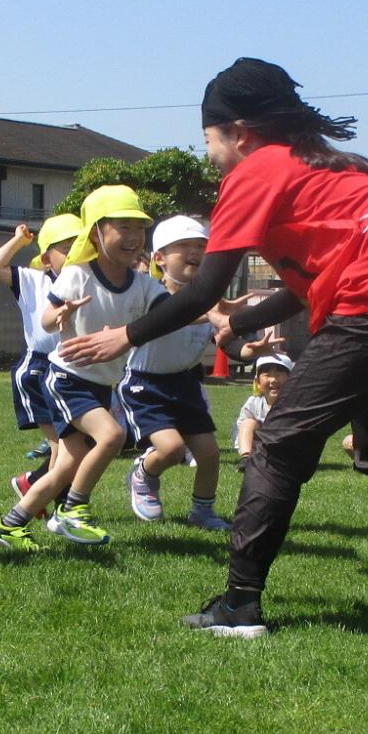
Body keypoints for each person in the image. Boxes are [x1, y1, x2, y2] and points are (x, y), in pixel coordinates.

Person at [58, 58, 368, 635]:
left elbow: (204, 285)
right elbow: (313, 279)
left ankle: (238, 605)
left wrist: (124, 335)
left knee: (279, 443)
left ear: (238, 132)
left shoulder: (258, 170)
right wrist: (245, 318)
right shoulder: (339, 166)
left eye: (207, 140)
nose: (209, 154)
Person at [0, 184, 183, 550]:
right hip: (65, 378)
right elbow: (45, 319)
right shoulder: (77, 274)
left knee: (65, 466)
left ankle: (7, 527)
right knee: (112, 435)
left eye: (139, 228)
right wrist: (58, 313)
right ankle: (73, 511)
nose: (134, 236)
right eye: (122, 227)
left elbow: (173, 311)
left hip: (99, 384)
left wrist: (219, 316)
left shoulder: (142, 284)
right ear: (96, 233)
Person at [120, 215, 230, 531]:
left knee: (209, 454)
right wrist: (215, 314)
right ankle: (144, 473)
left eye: (200, 246)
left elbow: (226, 342)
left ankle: (203, 512)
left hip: (185, 383)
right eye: (183, 246)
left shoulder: (210, 300)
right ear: (159, 258)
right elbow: (169, 316)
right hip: (145, 382)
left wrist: (254, 348)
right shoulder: (149, 293)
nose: (194, 252)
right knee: (170, 449)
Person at [0, 213, 84, 477]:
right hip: (38, 369)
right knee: (60, 446)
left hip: (70, 369)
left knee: (71, 446)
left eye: (80, 248)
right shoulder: (33, 280)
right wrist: (18, 241)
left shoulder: (86, 282)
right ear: (45, 259)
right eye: (66, 250)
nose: (75, 256)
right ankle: (51, 501)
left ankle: (32, 485)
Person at [234, 353, 291, 462]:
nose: (273, 380)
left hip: (285, 449)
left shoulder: (294, 404)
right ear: (258, 382)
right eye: (267, 375)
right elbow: (240, 428)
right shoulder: (253, 403)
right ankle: (246, 458)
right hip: (258, 448)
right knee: (247, 422)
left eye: (279, 374)